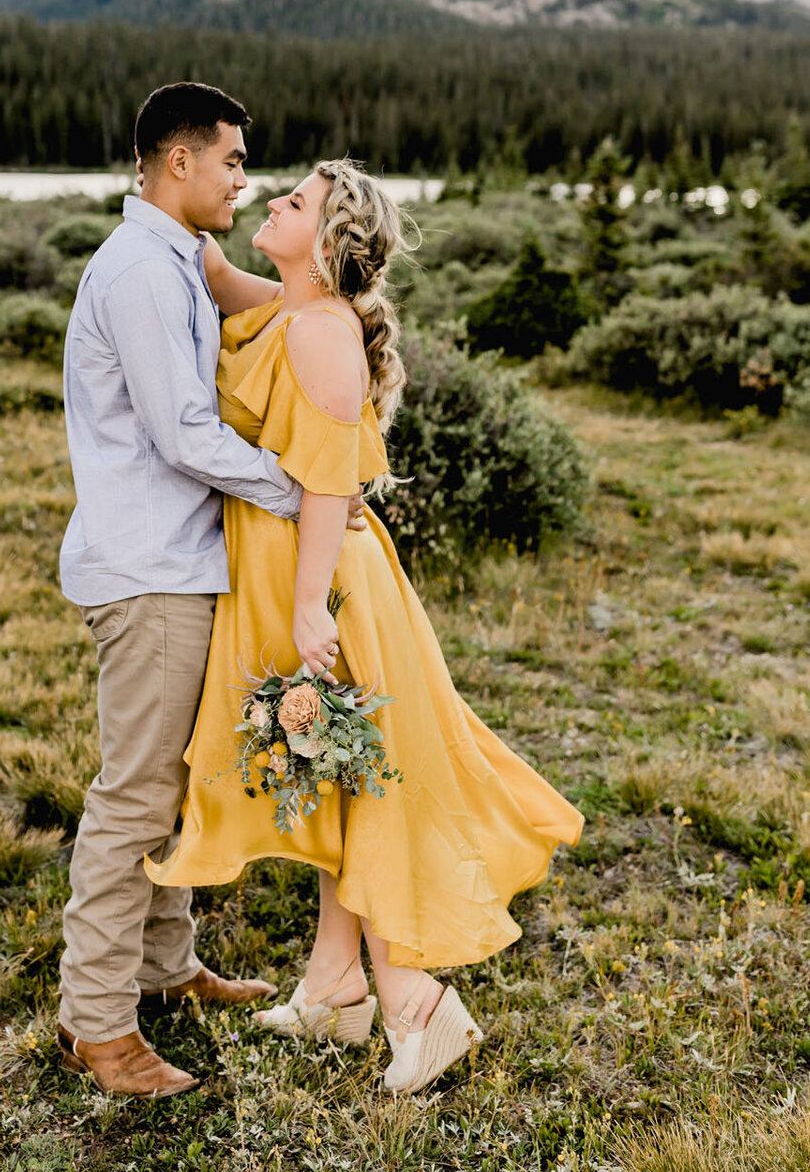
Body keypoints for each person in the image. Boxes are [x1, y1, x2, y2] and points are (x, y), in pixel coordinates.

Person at [144, 158, 586, 1093]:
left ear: (331, 240)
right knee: (336, 778)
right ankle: (334, 985)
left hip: (325, 585)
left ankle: (416, 1000)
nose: (270, 200)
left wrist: (308, 608)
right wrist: (159, 203)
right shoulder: (292, 304)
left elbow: (333, 482)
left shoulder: (324, 334)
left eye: (294, 202)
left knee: (365, 779)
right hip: (282, 572)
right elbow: (215, 273)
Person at [55, 83, 362, 1100]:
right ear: (176, 162)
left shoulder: (178, 256)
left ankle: (166, 965)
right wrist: (304, 492)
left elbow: (264, 303)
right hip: (148, 573)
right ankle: (98, 1026)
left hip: (181, 564)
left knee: (174, 780)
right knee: (134, 795)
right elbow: (184, 433)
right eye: (231, 161)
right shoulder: (141, 273)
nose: (244, 179)